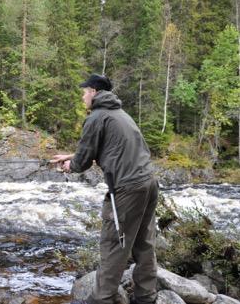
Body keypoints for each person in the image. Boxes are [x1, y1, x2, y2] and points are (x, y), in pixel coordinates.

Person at [51, 74, 159, 304]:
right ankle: (147, 297)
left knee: (113, 245)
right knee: (143, 243)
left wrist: (70, 165)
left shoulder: (96, 117)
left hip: (128, 188)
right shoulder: (120, 114)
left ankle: (102, 299)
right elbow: (108, 147)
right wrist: (71, 155)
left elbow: (82, 163)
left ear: (94, 92)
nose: (82, 96)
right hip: (148, 183)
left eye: (84, 92)